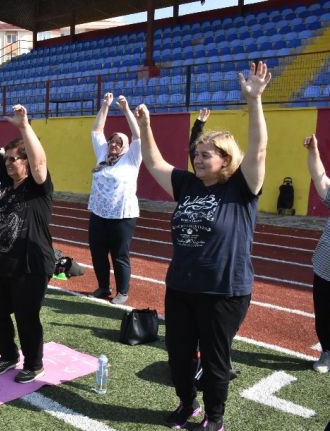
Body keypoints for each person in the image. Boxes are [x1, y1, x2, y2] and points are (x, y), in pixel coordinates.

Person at [135, 62, 271, 431]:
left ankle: (215, 417)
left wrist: (254, 101)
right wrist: (145, 127)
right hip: (181, 285)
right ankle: (187, 404)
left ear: (226, 159)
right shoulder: (188, 185)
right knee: (178, 354)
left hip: (223, 290)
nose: (197, 158)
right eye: (196, 153)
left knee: (215, 359)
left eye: (206, 154)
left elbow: (258, 151)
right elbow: (153, 161)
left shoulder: (241, 188)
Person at [0, 100, 55, 384]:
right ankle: (8, 355)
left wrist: (24, 126)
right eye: (7, 159)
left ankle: (34, 364)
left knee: (26, 317)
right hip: (0, 261)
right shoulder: (5, 180)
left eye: (14, 159)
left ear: (25, 161)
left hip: (30, 264)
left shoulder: (38, 185)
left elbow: (40, 161)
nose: (8, 162)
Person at [88, 93, 142, 305]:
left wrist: (126, 109)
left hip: (122, 215)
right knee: (98, 253)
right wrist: (105, 106)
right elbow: (96, 130)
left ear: (125, 146)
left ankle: (122, 291)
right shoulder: (102, 155)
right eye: (112, 141)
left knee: (119, 255)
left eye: (119, 142)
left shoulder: (132, 158)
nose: (113, 144)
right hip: (99, 213)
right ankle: (103, 286)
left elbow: (138, 137)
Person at [303, 133, 330, 374]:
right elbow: (320, 179)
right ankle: (327, 351)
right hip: (325, 266)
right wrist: (313, 153)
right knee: (324, 315)